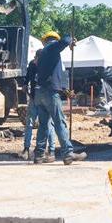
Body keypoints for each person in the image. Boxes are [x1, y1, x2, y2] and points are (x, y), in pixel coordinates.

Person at [31, 31, 86, 164]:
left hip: (40, 93)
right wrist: (70, 39)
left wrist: (64, 89)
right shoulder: (52, 48)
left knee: (43, 125)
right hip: (50, 92)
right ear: (54, 40)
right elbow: (64, 41)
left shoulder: (43, 52)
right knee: (60, 123)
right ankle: (68, 153)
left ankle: (38, 155)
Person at [19, 56, 55, 160]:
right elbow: (28, 76)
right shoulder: (32, 64)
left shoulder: (49, 65)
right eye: (35, 60)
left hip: (45, 100)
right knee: (29, 123)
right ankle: (26, 148)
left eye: (37, 60)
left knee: (48, 124)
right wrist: (25, 84)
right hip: (34, 98)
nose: (35, 62)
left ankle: (51, 150)